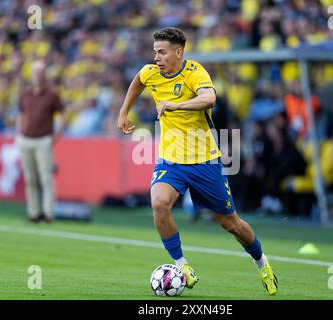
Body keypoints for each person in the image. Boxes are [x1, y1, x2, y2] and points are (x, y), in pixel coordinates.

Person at [117, 27, 278, 295]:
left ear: (179, 52)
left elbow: (209, 98)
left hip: (205, 161)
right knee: (158, 202)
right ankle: (182, 265)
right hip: (171, 160)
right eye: (155, 51)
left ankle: (262, 263)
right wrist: (124, 112)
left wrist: (175, 104)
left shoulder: (194, 72)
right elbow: (138, 81)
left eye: (162, 51)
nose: (156, 57)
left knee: (231, 224)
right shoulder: (151, 72)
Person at [16, 60, 67, 223]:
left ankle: (48, 213)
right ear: (31, 75)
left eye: (41, 72)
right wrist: (19, 132)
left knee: (46, 178)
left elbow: (63, 115)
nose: (38, 75)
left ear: (45, 75)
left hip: (43, 139)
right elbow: (20, 114)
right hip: (25, 139)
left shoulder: (52, 95)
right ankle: (33, 212)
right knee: (30, 178)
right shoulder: (25, 94)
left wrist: (56, 136)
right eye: (36, 72)